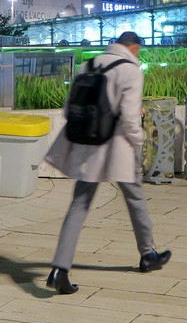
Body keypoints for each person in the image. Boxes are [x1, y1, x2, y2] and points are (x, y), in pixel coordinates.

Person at [43, 31, 171, 294]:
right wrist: (138, 142)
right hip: (117, 148)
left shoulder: (87, 65)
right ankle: (148, 255)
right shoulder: (131, 71)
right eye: (138, 50)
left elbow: (69, 109)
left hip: (87, 146)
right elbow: (129, 116)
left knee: (78, 205)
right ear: (134, 47)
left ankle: (59, 269)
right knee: (135, 199)